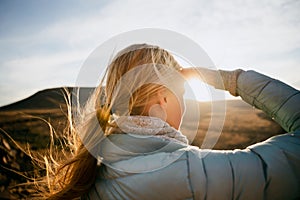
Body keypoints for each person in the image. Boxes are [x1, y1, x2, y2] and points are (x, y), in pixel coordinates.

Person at [32, 44, 300, 199]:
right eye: (181, 94)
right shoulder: (196, 175)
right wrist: (233, 80)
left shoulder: (93, 179)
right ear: (162, 99)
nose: (184, 104)